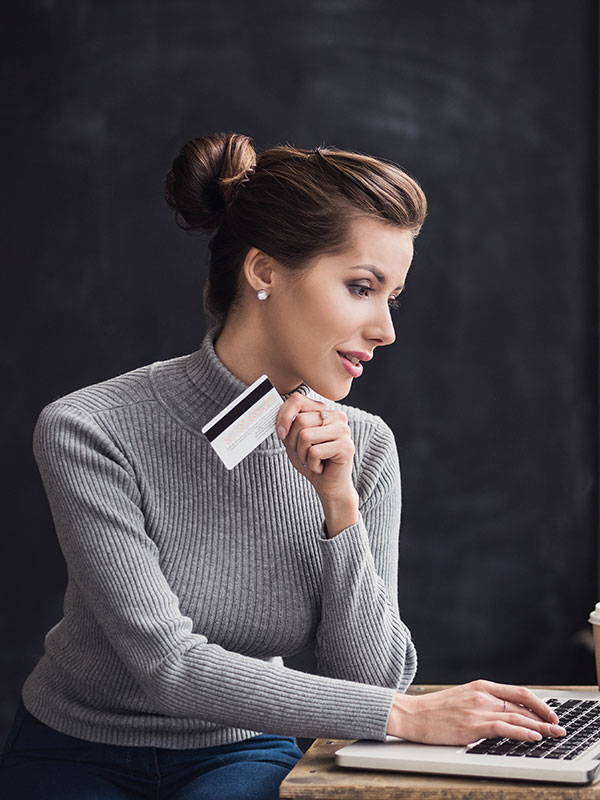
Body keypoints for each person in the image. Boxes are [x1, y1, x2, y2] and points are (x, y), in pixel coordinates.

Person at [0, 133, 565, 799]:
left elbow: (369, 683)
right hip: (75, 748)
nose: (386, 329)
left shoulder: (364, 448)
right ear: (264, 272)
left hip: (239, 747)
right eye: (361, 287)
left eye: (392, 297)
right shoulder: (90, 429)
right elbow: (168, 667)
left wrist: (339, 505)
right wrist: (408, 716)